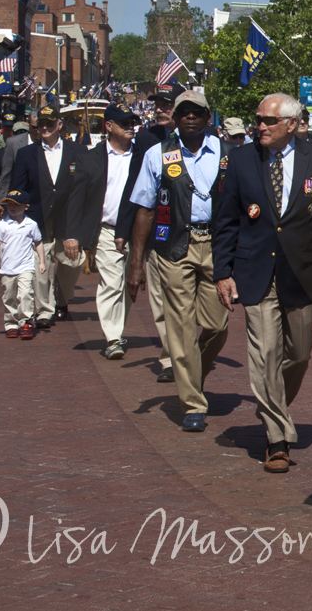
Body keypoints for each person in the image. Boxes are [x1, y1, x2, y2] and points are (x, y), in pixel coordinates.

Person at [213, 93, 312, 473]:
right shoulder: (242, 159)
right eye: (257, 119)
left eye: (268, 121)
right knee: (264, 356)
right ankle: (277, 438)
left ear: (292, 125)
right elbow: (227, 217)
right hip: (255, 272)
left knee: (298, 355)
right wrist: (223, 271)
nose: (259, 126)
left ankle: (274, 405)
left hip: (302, 271)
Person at [125, 90, 232, 433]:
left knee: (218, 325)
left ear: (207, 117)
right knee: (181, 326)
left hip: (215, 246)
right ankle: (192, 403)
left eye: (196, 113)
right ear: (175, 117)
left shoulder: (227, 154)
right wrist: (136, 263)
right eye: (183, 112)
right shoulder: (158, 155)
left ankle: (192, 367)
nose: (189, 117)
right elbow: (144, 209)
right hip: (174, 248)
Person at [65, 104, 139, 359]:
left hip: (139, 232)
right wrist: (72, 234)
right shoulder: (89, 158)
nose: (131, 127)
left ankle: (117, 328)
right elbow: (76, 198)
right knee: (111, 282)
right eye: (124, 123)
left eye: (132, 122)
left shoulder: (143, 155)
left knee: (131, 284)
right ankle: (113, 337)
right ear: (108, 126)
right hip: (107, 230)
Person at [9, 105, 88, 328]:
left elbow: (85, 188)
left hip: (67, 218)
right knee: (40, 266)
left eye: (49, 124)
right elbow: (18, 188)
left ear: (59, 126)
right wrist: (15, 216)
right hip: (38, 218)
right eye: (41, 124)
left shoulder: (78, 151)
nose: (44, 128)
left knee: (72, 262)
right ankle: (44, 310)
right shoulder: (26, 154)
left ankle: (61, 300)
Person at [122, 84, 180, 383]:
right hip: (159, 230)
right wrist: (125, 233)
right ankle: (171, 359)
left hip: (196, 234)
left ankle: (188, 350)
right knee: (161, 300)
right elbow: (136, 190)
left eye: (166, 105)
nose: (159, 109)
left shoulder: (208, 142)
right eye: (157, 104)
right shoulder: (146, 140)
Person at [0, 189, 46, 339]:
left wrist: (41, 262)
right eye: (9, 204)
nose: (12, 207)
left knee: (25, 294)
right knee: (9, 297)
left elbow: (38, 242)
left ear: (26, 207)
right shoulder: (2, 225)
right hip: (7, 267)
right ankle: (11, 323)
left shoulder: (31, 224)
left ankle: (26, 321)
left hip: (26, 266)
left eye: (16, 205)